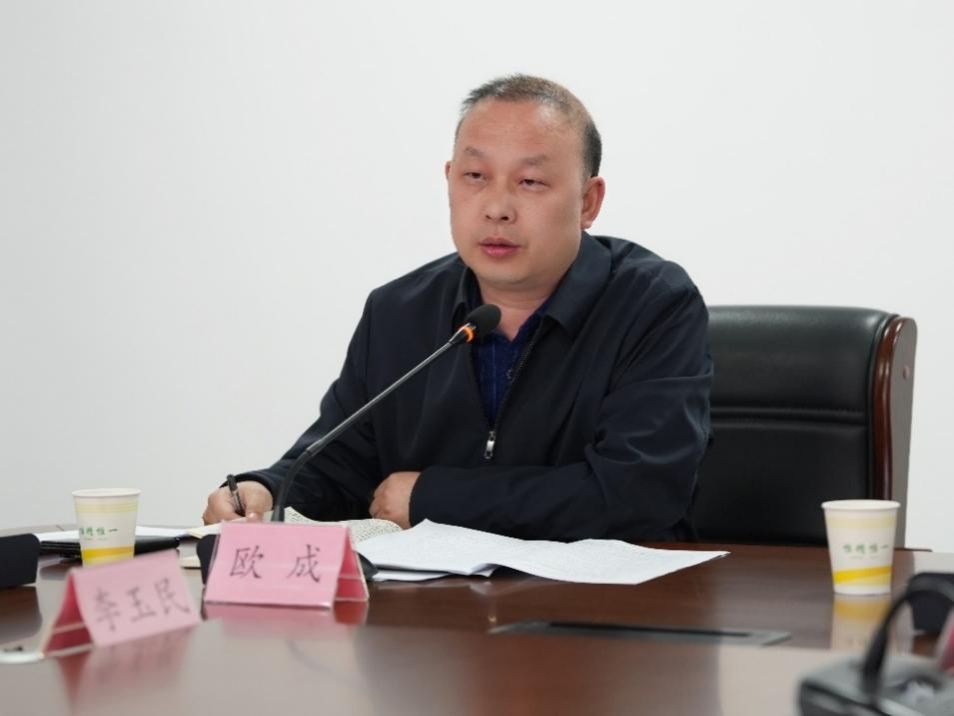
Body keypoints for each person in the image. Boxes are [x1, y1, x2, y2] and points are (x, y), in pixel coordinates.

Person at [203, 74, 712, 541]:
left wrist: (433, 498)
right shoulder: (397, 312)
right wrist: (265, 490)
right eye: (475, 176)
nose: (497, 207)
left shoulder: (653, 304)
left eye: (530, 182)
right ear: (449, 179)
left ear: (587, 202)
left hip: (605, 604)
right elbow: (338, 465)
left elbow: (639, 492)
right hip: (439, 605)